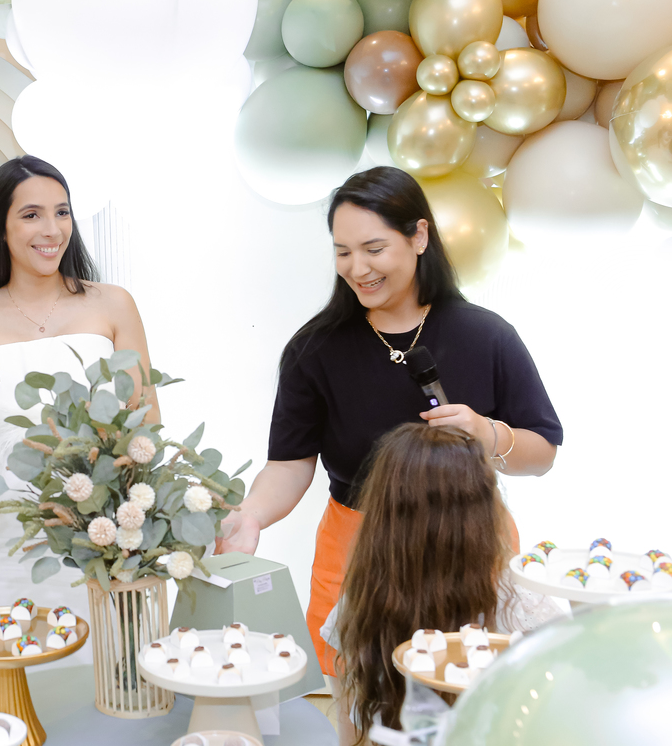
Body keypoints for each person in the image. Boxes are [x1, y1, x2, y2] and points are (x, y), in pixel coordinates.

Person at [216, 166, 562, 707]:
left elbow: (542, 454)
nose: (357, 268)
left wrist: (486, 434)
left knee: (474, 709)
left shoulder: (487, 336)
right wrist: (252, 515)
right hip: (357, 552)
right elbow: (289, 463)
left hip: (470, 546)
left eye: (373, 248)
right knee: (360, 710)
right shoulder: (315, 349)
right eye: (343, 252)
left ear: (419, 236)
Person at [0, 155, 157, 628]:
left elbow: (147, 423)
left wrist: (133, 516)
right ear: (0, 227)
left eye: (62, 212)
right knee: (9, 656)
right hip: (2, 540)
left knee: (110, 656)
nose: (52, 229)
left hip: (100, 530)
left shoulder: (113, 304)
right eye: (31, 214)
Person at [323, 423, 563, 744]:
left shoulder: (360, 602)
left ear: (382, 513)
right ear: (484, 510)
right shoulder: (524, 604)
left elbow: (353, 727)